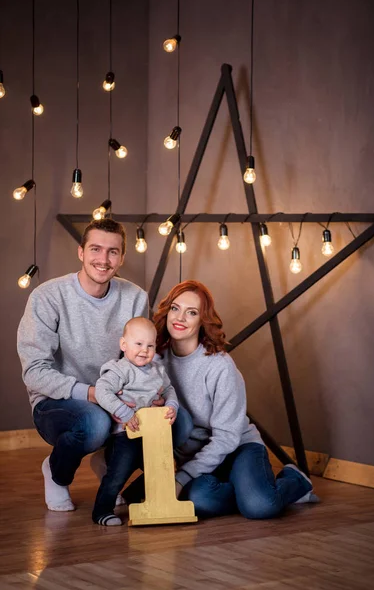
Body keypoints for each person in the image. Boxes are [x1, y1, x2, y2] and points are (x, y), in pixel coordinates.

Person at [149, 279, 319, 519]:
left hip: (238, 448)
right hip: (199, 458)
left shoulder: (219, 366)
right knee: (199, 498)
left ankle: (294, 480)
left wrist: (182, 477)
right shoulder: (155, 360)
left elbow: (227, 437)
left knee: (260, 506)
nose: (180, 318)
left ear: (202, 321)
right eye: (175, 308)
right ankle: (244, 490)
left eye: (192, 312)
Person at [17, 218, 150, 512]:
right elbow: (35, 372)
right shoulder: (48, 297)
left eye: (112, 252)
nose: (103, 260)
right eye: (95, 249)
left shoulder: (136, 298)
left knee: (166, 420)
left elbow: (138, 360)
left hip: (113, 395)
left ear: (122, 258)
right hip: (58, 401)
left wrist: (142, 395)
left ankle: (108, 466)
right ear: (81, 252)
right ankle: (56, 472)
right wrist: (91, 393)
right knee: (94, 423)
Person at [92, 317, 178, 526]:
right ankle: (102, 510)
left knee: (159, 467)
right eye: (138, 344)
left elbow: (169, 390)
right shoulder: (119, 369)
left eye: (150, 345)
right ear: (124, 345)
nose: (144, 350)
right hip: (126, 433)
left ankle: (133, 495)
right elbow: (102, 391)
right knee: (118, 472)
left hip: (153, 432)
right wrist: (124, 412)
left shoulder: (157, 370)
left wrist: (172, 406)